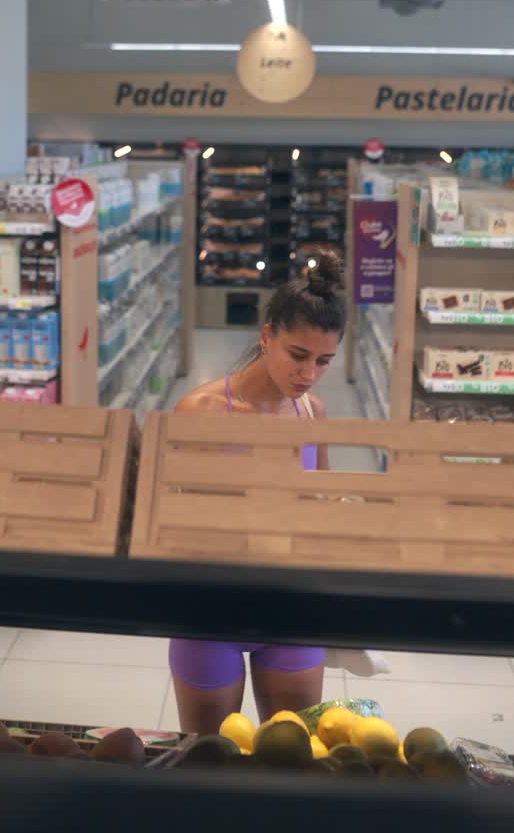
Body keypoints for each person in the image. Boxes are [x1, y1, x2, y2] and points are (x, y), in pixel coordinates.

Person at [169, 250, 345, 734]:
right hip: (210, 614)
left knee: (293, 760)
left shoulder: (313, 414)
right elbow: (168, 525)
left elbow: (322, 505)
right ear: (267, 336)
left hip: (291, 609)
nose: (309, 374)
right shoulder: (199, 412)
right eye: (298, 355)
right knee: (207, 758)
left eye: (324, 361)